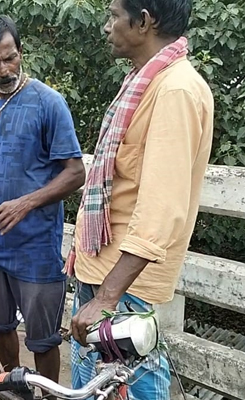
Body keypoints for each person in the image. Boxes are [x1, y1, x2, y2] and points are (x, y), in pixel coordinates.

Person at [66, 0, 214, 398]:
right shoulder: (145, 82)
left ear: (144, 21)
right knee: (93, 388)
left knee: (131, 387)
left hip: (124, 288)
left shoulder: (175, 90)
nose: (107, 26)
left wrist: (107, 298)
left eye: (114, 16)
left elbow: (161, 209)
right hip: (105, 276)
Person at [0, 16, 86, 383]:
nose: (4, 69)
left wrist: (25, 203)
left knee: (43, 340)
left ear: (20, 52)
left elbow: (76, 173)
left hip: (35, 245)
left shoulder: (49, 103)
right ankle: (14, 387)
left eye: (10, 58)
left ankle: (47, 392)